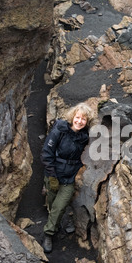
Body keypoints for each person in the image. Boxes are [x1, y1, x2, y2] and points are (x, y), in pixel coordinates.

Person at [40, 103, 94, 253]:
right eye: (77, 117)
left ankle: (48, 234)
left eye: (84, 119)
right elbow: (46, 154)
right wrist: (51, 177)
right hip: (54, 173)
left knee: (59, 206)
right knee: (52, 205)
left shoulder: (85, 137)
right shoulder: (60, 129)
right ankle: (55, 225)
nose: (79, 121)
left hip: (69, 177)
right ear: (72, 117)